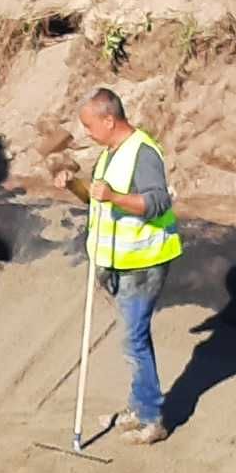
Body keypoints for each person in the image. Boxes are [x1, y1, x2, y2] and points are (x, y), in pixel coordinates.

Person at [76, 85, 183, 443]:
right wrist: (73, 186)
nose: (87, 134)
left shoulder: (143, 153)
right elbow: (99, 202)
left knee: (134, 339)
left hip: (144, 262)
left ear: (109, 120)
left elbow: (156, 203)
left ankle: (152, 418)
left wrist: (113, 196)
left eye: (89, 126)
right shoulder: (110, 154)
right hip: (119, 262)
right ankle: (140, 407)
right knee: (134, 339)